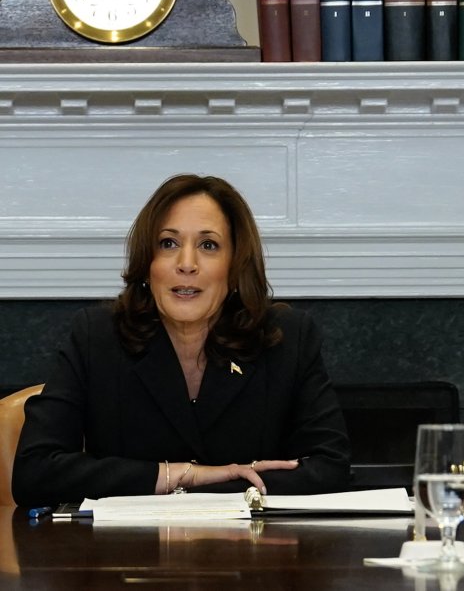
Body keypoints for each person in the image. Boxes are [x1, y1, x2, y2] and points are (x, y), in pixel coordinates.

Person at [13, 174, 351, 505]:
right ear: (148, 264)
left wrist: (217, 487)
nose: (186, 264)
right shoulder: (97, 337)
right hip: (127, 556)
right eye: (168, 243)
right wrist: (183, 475)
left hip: (250, 555)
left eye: (208, 245)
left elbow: (330, 468)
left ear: (234, 267)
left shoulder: (286, 338)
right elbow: (35, 473)